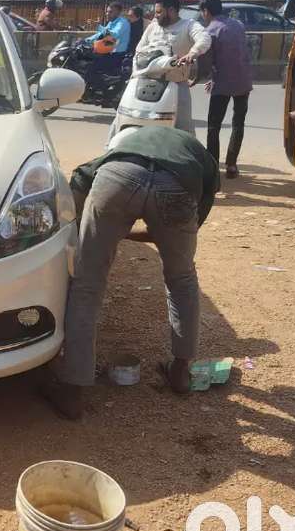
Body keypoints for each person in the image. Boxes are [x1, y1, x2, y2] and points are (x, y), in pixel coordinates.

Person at [41, 125, 220, 420]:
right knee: (182, 278)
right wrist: (129, 231)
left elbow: (79, 184)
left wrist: (99, 231)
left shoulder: (116, 154)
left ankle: (72, 390)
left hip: (116, 180)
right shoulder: (195, 153)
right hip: (177, 186)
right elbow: (188, 225)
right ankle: (180, 372)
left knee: (88, 283)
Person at [133, 0, 212, 132]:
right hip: (147, 84)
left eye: (158, 12)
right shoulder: (152, 27)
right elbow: (139, 51)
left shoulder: (189, 25)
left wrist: (192, 53)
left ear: (171, 10)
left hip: (176, 85)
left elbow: (204, 39)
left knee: (183, 129)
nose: (155, 16)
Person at [199, 0, 252, 179]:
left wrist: (202, 78)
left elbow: (207, 62)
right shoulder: (238, 25)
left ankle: (213, 167)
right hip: (243, 81)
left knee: (214, 126)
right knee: (238, 123)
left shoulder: (210, 31)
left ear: (206, 11)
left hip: (221, 84)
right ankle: (231, 165)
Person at [84, 1, 132, 88]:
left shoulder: (122, 22)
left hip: (117, 54)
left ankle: (96, 89)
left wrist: (98, 26)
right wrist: (86, 40)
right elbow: (100, 34)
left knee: (93, 67)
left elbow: (114, 34)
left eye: (110, 12)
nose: (107, 14)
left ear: (118, 13)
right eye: (107, 11)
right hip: (108, 51)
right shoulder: (111, 23)